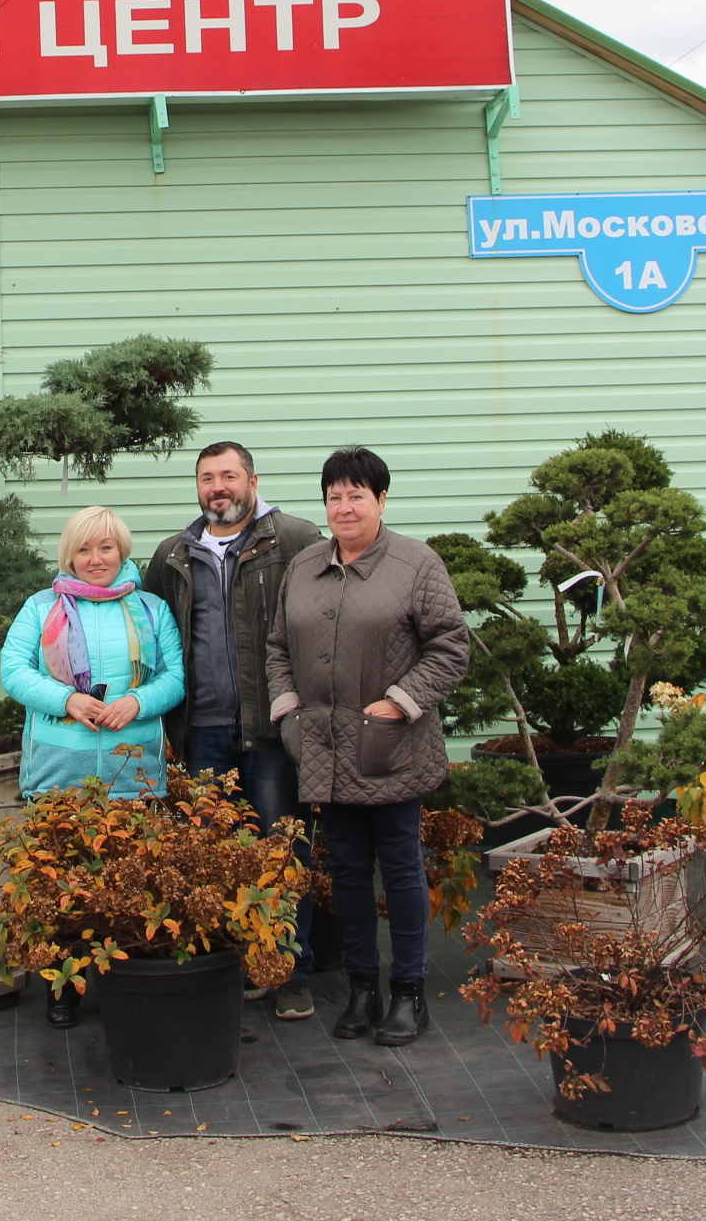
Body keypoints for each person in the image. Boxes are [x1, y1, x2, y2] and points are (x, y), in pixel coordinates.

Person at [265, 446, 474, 1048]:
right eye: (335, 497)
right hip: (325, 748)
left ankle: (408, 991)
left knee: (401, 868)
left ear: (381, 500)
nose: (345, 507)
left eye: (357, 495)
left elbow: (451, 646)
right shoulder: (304, 566)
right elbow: (278, 646)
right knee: (348, 871)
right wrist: (288, 707)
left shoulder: (416, 564)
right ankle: (362, 988)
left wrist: (402, 700)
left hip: (392, 747)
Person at [145, 440, 331, 1021]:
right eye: (207, 477)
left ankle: (290, 973)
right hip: (202, 730)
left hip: (270, 730)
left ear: (253, 479)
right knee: (215, 855)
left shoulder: (295, 539)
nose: (217, 487)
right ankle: (238, 966)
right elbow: (153, 633)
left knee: (283, 852)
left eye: (228, 475)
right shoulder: (173, 554)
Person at [0, 503, 185, 1027]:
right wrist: (67, 699)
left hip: (133, 772)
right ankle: (62, 989)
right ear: (69, 555)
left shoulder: (151, 609)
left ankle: (126, 984)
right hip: (59, 771)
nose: (96, 558)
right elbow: (13, 671)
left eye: (106, 547)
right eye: (84, 549)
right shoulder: (41, 607)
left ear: (121, 551)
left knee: (131, 883)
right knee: (60, 885)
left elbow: (174, 677)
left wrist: (138, 702)